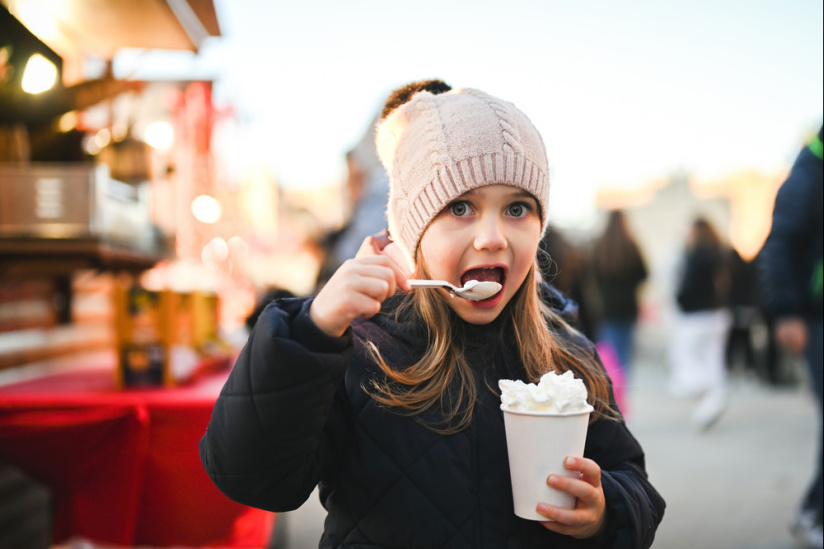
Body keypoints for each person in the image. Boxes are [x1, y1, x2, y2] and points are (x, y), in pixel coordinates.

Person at [200, 80, 665, 548]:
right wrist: (311, 331)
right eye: (460, 207)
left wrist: (607, 509)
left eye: (517, 208)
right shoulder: (363, 352)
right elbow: (253, 478)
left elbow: (634, 482)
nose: (493, 237)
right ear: (413, 232)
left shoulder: (565, 352)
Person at [758, 126, 823, 549]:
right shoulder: (810, 171)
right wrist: (786, 313)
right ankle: (813, 513)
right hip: (816, 316)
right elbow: (779, 242)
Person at [668, 216, 732, 430]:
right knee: (714, 360)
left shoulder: (696, 256)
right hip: (719, 313)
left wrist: (680, 299)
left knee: (684, 355)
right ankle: (711, 403)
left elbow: (688, 287)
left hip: (697, 315)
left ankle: (703, 390)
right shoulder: (721, 253)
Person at [589, 210, 648, 379]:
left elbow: (591, 276)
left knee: (608, 356)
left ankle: (612, 392)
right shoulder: (632, 246)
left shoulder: (599, 247)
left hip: (606, 309)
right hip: (628, 308)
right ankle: (622, 394)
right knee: (624, 355)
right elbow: (644, 274)